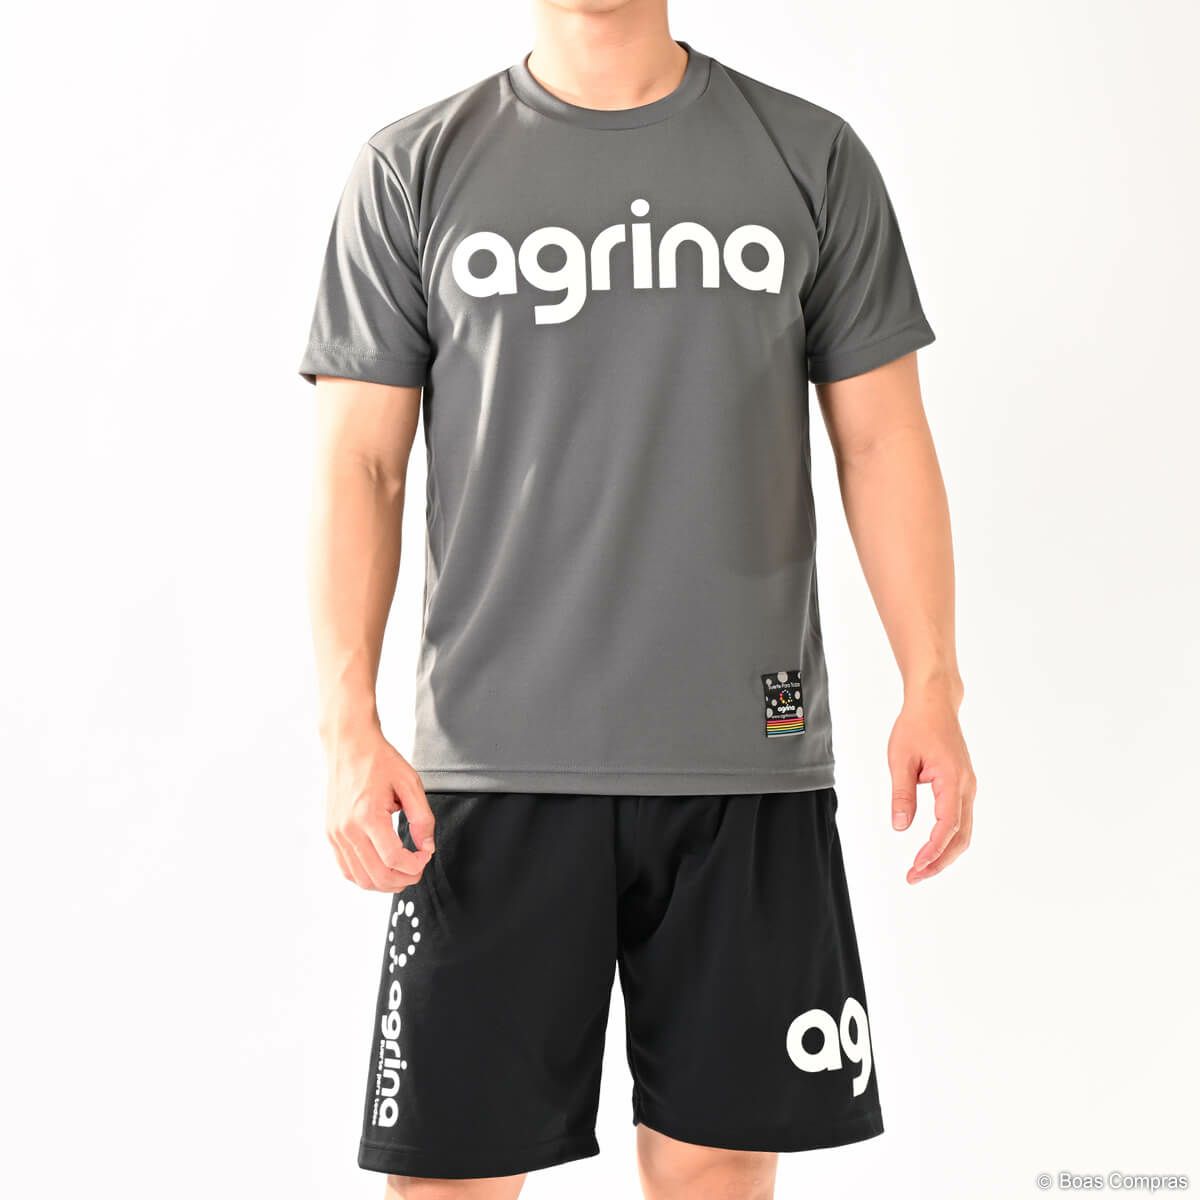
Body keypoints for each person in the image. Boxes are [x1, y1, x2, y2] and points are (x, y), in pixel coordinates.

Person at [299, 2, 975, 1196]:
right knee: (450, 1177)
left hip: (744, 761)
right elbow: (362, 465)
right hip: (490, 769)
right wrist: (347, 725)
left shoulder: (808, 157)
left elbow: (880, 441)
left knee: (716, 1172)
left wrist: (934, 684)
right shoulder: (412, 171)